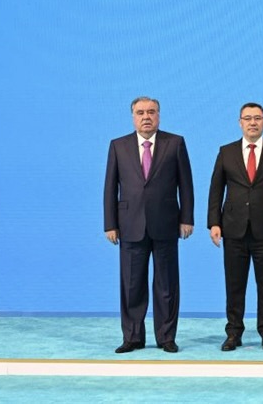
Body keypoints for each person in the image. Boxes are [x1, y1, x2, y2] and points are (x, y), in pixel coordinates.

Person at [103, 96, 194, 354]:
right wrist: (110, 224)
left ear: (159, 116)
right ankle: (132, 337)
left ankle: (166, 337)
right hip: (129, 225)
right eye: (141, 112)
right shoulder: (118, 146)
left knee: (167, 285)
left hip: (166, 223)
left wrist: (187, 218)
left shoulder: (175, 143)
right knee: (132, 285)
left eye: (151, 112)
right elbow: (110, 187)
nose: (146, 117)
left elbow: (186, 184)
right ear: (133, 117)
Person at [208, 102, 263, 351]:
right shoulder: (226, 152)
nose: (253, 122)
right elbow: (216, 189)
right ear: (240, 123)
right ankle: (233, 333)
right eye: (247, 118)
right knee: (234, 285)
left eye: (257, 118)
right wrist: (213, 222)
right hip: (233, 228)